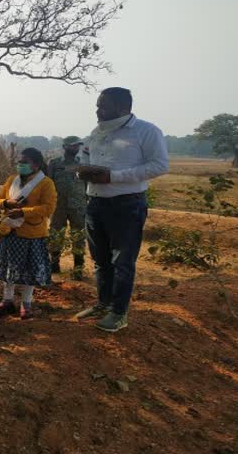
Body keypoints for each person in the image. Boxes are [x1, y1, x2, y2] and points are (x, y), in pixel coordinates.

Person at [75, 87, 169, 333]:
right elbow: (84, 156)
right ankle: (103, 303)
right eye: (97, 105)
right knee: (100, 261)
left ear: (121, 107)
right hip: (95, 203)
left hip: (126, 205)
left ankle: (118, 313)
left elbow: (159, 165)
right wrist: (84, 169)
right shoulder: (96, 133)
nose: (97, 110)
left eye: (102, 105)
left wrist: (113, 176)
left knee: (122, 262)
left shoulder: (146, 131)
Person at [0, 148, 57, 320]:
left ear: (36, 164)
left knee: (29, 270)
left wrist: (23, 212)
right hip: (10, 230)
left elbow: (48, 208)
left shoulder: (46, 183)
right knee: (9, 267)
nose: (20, 165)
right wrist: (6, 202)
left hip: (32, 233)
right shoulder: (11, 180)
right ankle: (7, 300)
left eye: (24, 162)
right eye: (19, 162)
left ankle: (26, 304)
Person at [48, 136, 88, 279]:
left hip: (78, 206)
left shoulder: (82, 164)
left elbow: (87, 185)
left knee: (78, 236)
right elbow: (49, 184)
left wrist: (86, 201)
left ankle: (78, 268)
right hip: (59, 205)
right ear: (65, 147)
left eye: (77, 146)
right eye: (72, 146)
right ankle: (54, 264)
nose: (75, 148)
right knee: (56, 234)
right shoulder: (54, 164)